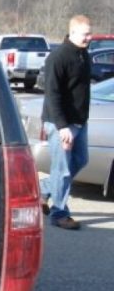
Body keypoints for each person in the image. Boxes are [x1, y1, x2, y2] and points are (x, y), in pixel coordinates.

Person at [40, 15, 92, 230]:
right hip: (60, 124)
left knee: (80, 161)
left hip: (79, 123)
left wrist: (79, 121)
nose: (89, 37)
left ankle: (42, 189)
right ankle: (59, 214)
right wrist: (62, 127)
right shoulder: (58, 57)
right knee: (62, 170)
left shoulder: (83, 54)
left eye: (90, 33)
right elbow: (52, 94)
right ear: (72, 33)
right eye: (85, 34)